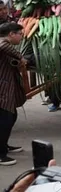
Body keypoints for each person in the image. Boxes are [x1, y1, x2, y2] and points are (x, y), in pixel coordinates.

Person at [0, 23, 26, 166]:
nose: (21, 37)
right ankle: (0, 154)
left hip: (6, 86)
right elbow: (3, 46)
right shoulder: (3, 43)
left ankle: (4, 145)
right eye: (20, 34)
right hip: (2, 88)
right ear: (11, 34)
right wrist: (20, 57)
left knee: (11, 116)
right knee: (5, 119)